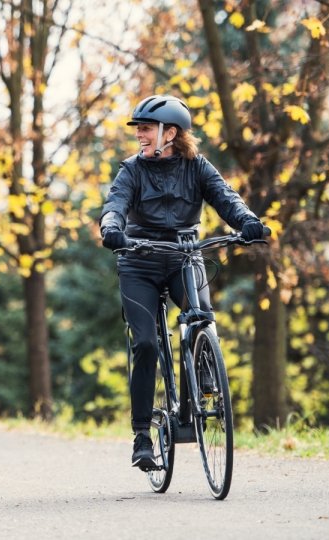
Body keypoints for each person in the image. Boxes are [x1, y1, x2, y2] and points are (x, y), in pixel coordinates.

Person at [98, 95, 265, 468]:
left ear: (169, 133)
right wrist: (111, 227)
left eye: (145, 128)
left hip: (183, 257)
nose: (140, 135)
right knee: (144, 344)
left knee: (202, 316)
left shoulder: (198, 168)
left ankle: (205, 373)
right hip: (139, 262)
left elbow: (227, 199)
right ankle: (142, 435)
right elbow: (115, 204)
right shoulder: (132, 170)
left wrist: (248, 221)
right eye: (139, 128)